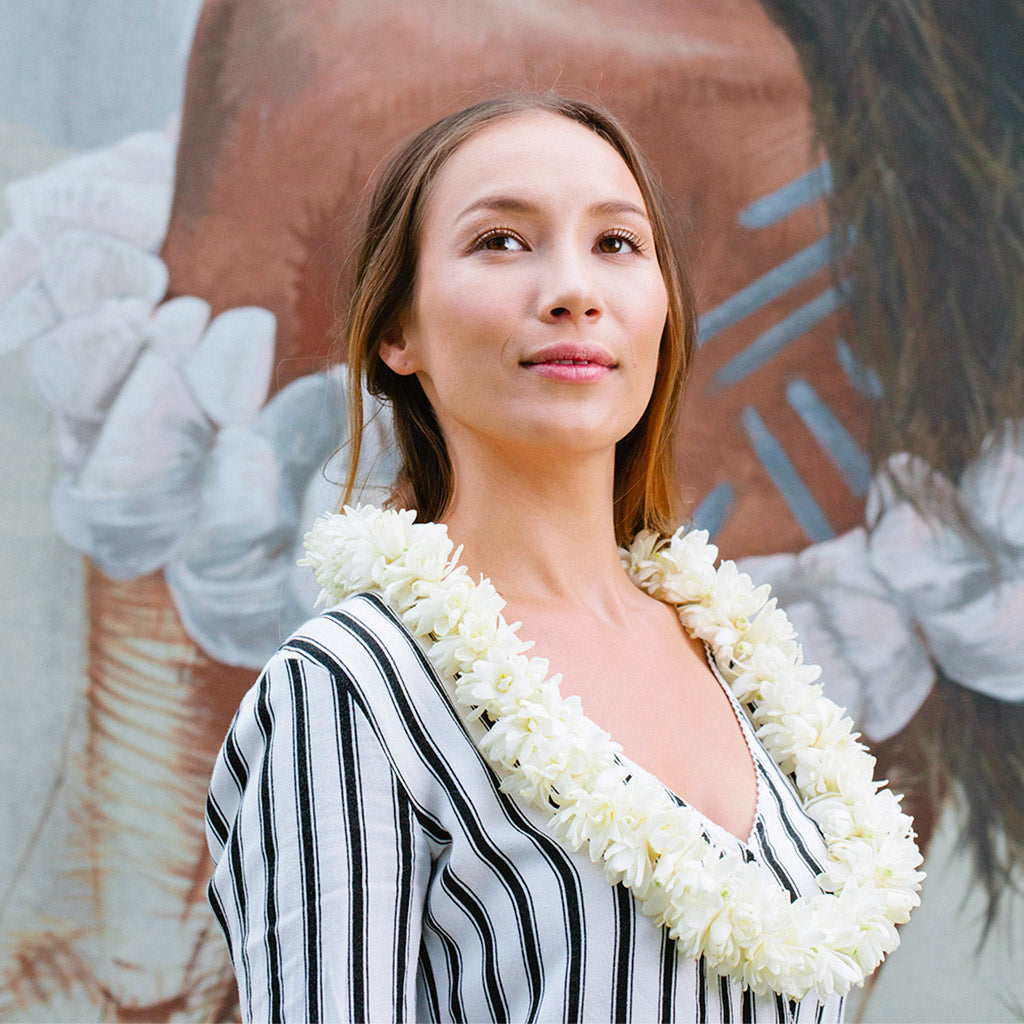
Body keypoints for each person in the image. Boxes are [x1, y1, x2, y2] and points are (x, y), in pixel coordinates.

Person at [205, 95, 922, 1023]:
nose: (574, 291)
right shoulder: (351, 691)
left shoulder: (743, 666)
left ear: (663, 312)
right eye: (501, 241)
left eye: (617, 243)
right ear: (397, 332)